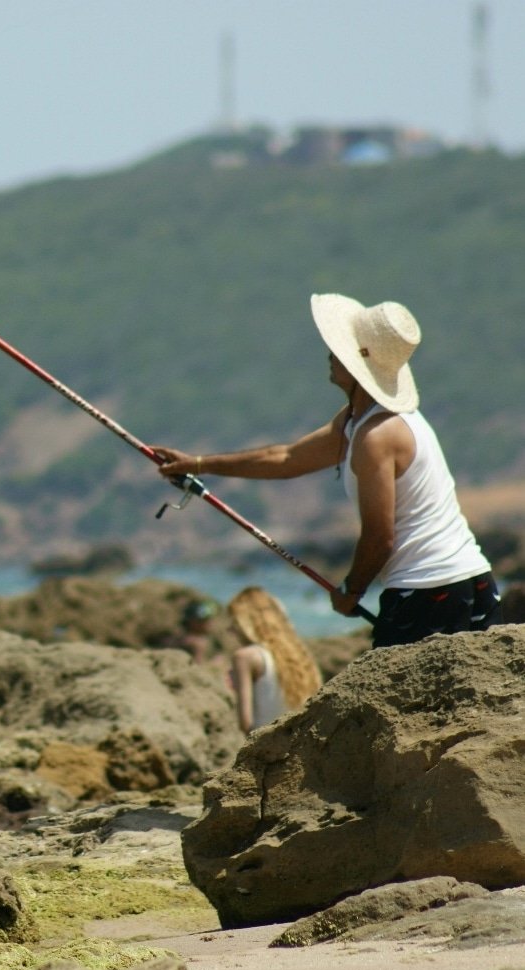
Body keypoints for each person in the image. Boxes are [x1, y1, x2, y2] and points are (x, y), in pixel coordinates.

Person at [156, 293, 502, 648]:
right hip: (472, 579)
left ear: (358, 366)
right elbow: (287, 458)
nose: (330, 355)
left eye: (340, 350)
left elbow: (380, 537)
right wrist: (198, 463)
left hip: (429, 590)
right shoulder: (359, 421)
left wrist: (351, 589)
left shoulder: (376, 436)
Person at [227, 587, 323, 734]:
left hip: (267, 747)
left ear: (244, 622)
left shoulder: (245, 657)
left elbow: (245, 723)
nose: (230, 629)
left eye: (234, 621)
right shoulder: (299, 653)